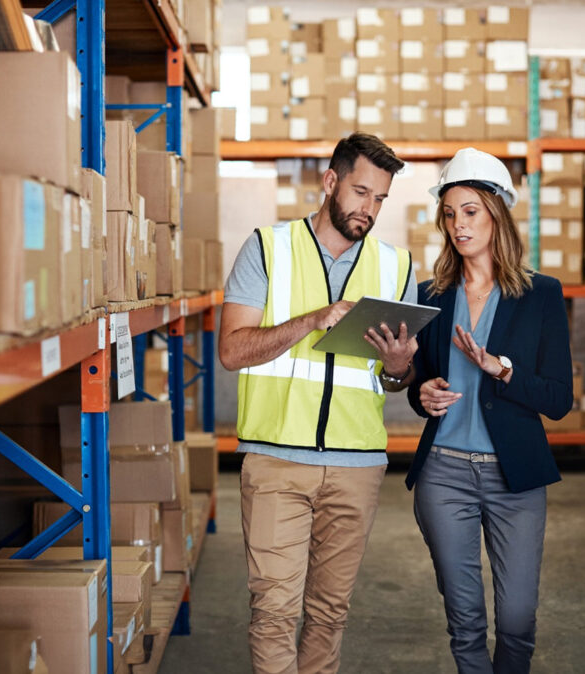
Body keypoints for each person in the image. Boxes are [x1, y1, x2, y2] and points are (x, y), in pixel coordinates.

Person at [218, 133, 419, 674]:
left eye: (380, 198)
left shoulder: (396, 266)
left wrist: (400, 366)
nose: (368, 209)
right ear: (329, 182)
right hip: (276, 461)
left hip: (357, 466)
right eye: (360, 192)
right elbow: (232, 351)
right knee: (275, 612)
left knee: (329, 614)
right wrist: (309, 320)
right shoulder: (266, 247)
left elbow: (395, 380)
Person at [399, 147, 573, 673]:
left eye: (470, 211)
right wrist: (421, 394)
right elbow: (418, 383)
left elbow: (559, 400)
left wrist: (502, 370)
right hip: (444, 473)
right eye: (449, 214)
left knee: (517, 618)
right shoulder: (431, 296)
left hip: (513, 478)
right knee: (466, 618)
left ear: (497, 212)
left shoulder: (541, 295)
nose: (458, 225)